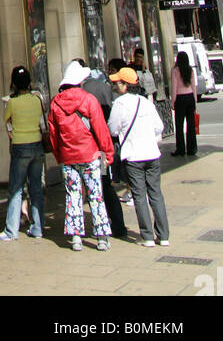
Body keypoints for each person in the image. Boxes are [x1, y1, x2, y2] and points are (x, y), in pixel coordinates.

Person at [48, 59, 114, 252]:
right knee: (96, 195)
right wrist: (107, 154)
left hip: (68, 157)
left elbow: (54, 135)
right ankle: (102, 237)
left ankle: (76, 237)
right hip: (91, 155)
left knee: (73, 196)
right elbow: (101, 130)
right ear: (80, 81)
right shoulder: (89, 100)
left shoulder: (55, 103)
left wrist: (59, 155)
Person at [108, 65, 170, 247]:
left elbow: (113, 129)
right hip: (151, 153)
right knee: (156, 193)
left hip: (133, 156)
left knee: (139, 196)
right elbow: (159, 127)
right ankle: (163, 235)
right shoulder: (146, 102)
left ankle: (147, 236)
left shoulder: (119, 104)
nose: (115, 86)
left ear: (125, 85)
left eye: (118, 83)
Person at [0, 65, 46, 241]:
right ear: (30, 82)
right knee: (36, 188)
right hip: (37, 145)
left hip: (20, 146)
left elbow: (6, 119)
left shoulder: (12, 103)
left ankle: (11, 230)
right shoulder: (37, 100)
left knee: (16, 189)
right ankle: (38, 227)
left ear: (14, 84)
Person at [79, 60, 128, 240]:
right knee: (104, 186)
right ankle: (116, 226)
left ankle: (102, 226)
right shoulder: (103, 89)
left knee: (95, 188)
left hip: (86, 149)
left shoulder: (84, 94)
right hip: (99, 147)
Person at [171, 50, 198, 156]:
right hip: (190, 96)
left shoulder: (175, 71)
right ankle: (192, 148)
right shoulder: (190, 70)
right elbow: (193, 86)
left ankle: (180, 149)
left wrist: (173, 101)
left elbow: (174, 87)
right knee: (191, 124)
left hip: (180, 98)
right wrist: (195, 100)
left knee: (179, 124)